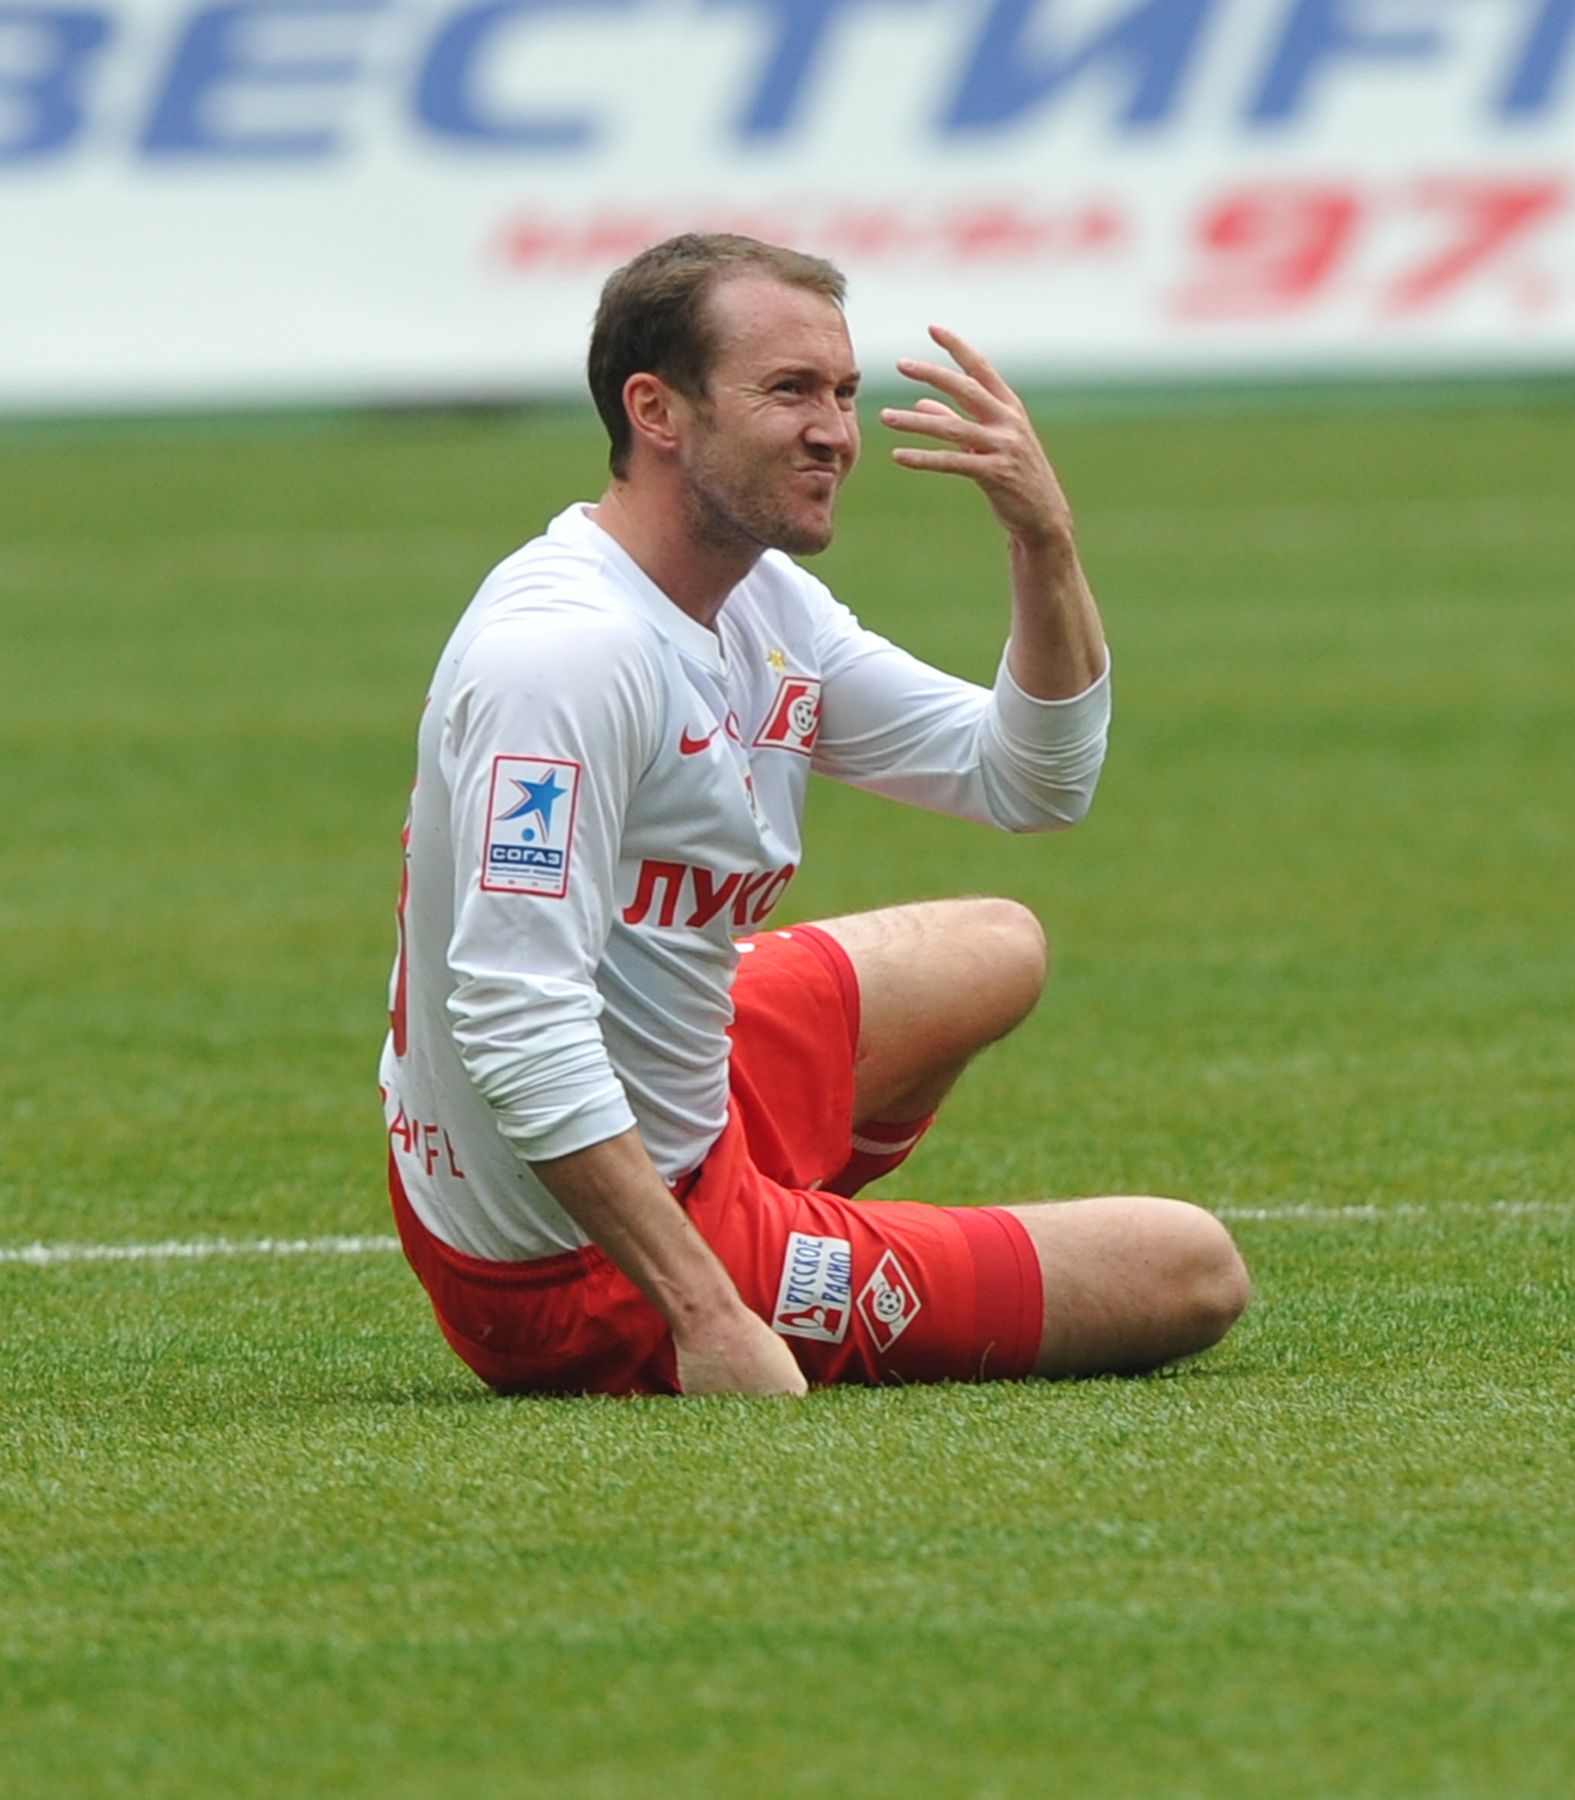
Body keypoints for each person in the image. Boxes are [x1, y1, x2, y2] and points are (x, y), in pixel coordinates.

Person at [380, 232, 1249, 1398]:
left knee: (997, 947)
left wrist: (1043, 543)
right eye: (790, 391)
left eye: (842, 392)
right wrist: (712, 1313)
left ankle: (786, 1227)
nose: (836, 432)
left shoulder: (759, 603)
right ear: (656, 410)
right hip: (574, 1268)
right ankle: (772, 1263)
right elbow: (511, 1015)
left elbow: (1032, 780)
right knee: (1188, 1269)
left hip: (672, 1114)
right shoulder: (566, 655)